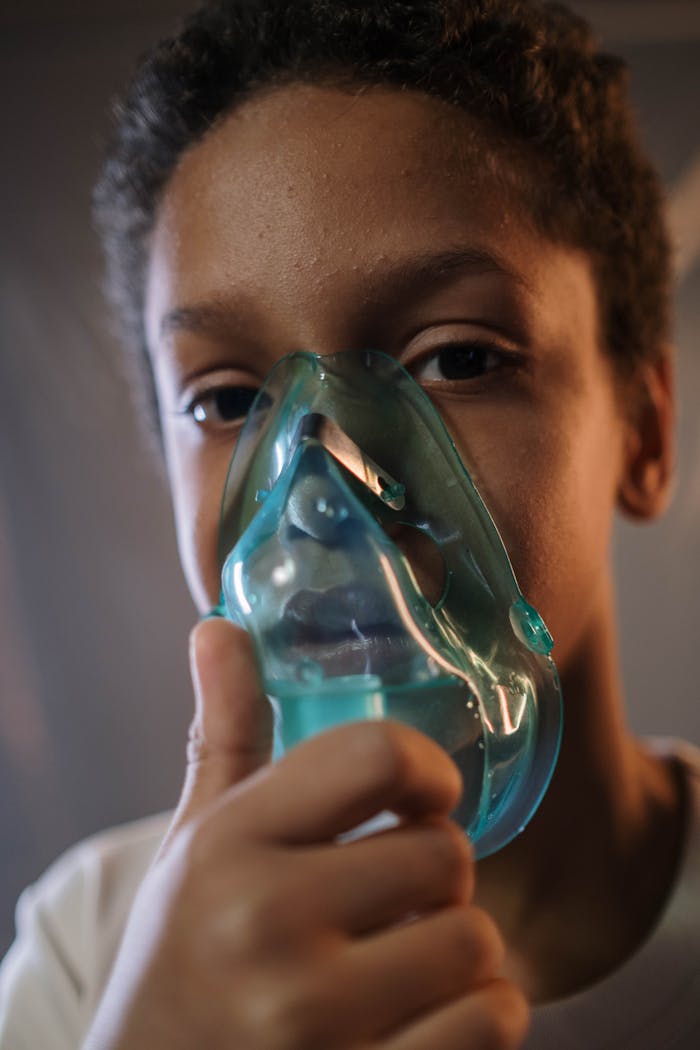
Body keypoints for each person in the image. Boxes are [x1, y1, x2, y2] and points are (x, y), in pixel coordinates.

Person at [1, 0, 699, 1047]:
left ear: (642, 431)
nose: (325, 491)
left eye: (457, 357)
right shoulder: (90, 952)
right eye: (230, 401)